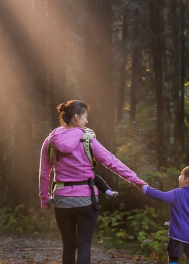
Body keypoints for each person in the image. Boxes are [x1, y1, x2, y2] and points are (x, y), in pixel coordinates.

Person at [39, 99, 145, 264]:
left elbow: (44, 173)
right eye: (85, 117)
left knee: (68, 246)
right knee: (84, 246)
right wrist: (137, 181)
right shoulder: (87, 139)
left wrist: (45, 198)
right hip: (86, 200)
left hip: (62, 200)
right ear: (76, 117)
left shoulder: (50, 141)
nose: (86, 121)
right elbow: (112, 162)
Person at [140, 166, 189, 264]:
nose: (179, 177)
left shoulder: (177, 193)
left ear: (187, 180)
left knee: (173, 258)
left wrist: (145, 189)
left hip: (178, 236)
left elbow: (160, 195)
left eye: (181, 175)